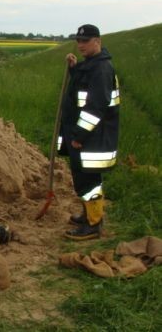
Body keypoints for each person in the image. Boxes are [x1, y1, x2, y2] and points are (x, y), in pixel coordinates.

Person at [59, 24, 120, 240]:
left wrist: (79, 136)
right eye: (78, 41)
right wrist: (75, 69)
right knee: (84, 178)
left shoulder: (102, 69)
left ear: (98, 41)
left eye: (85, 41)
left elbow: (95, 108)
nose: (81, 45)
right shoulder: (92, 65)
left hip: (91, 138)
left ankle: (93, 225)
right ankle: (88, 215)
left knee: (89, 181)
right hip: (86, 136)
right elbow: (83, 89)